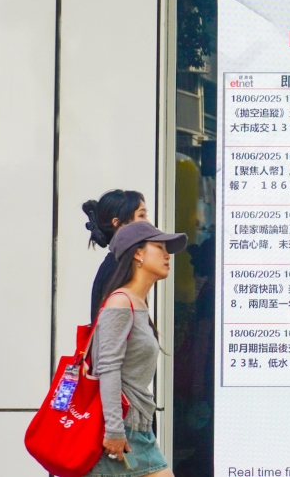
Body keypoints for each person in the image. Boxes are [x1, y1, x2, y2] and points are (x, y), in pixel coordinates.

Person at [86, 220, 187, 477]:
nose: (167, 255)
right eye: (159, 247)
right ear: (138, 254)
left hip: (137, 429)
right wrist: (114, 431)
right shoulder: (120, 303)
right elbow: (108, 368)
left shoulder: (137, 304)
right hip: (122, 431)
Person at [82, 190, 148, 322]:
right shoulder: (118, 268)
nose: (148, 223)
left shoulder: (117, 263)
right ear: (118, 223)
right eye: (142, 215)